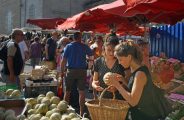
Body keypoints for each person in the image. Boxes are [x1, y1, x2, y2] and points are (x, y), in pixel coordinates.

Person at [104, 41, 166, 120]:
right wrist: (123, 81)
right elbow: (137, 90)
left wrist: (117, 85)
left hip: (144, 116)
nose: (119, 63)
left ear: (129, 57)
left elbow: (133, 101)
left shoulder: (139, 74)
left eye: (121, 59)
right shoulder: (138, 69)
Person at [61, 32, 93, 116]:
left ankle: (64, 111)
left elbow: (63, 60)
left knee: (67, 91)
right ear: (80, 37)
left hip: (71, 70)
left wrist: (62, 71)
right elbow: (91, 55)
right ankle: (82, 112)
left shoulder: (68, 46)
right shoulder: (84, 46)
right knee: (82, 92)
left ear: (74, 37)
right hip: (82, 71)